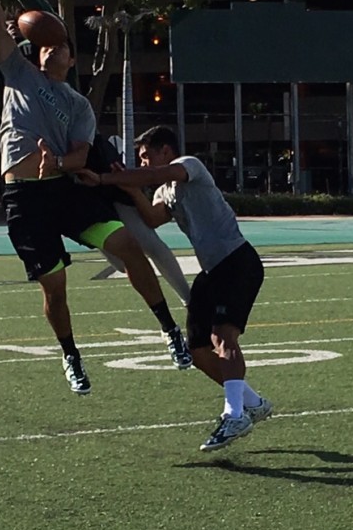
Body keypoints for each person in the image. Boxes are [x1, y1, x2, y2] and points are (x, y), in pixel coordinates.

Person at [0, 0, 191, 397]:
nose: (51, 49)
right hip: (23, 199)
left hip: (61, 192)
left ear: (72, 58)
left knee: (127, 245)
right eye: (46, 45)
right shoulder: (18, 73)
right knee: (55, 288)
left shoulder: (79, 106)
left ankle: (169, 329)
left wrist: (59, 165)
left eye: (60, 46)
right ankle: (71, 355)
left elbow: (81, 155)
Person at [77, 125, 273, 451]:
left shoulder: (189, 165)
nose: (142, 164)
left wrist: (106, 179)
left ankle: (234, 413)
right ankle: (252, 402)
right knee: (197, 350)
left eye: (145, 156)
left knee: (224, 337)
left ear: (165, 150)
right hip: (211, 271)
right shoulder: (162, 190)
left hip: (237, 262)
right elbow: (153, 218)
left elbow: (161, 173)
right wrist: (129, 190)